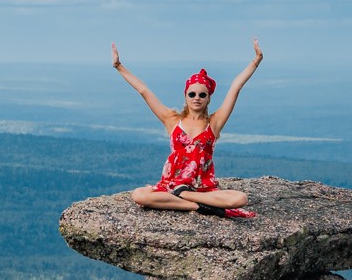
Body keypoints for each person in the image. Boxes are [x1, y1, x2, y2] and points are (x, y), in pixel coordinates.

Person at [111, 40, 263, 217]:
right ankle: (196, 207)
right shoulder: (172, 120)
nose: (196, 98)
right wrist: (119, 66)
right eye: (192, 94)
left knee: (240, 199)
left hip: (203, 187)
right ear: (186, 96)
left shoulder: (214, 123)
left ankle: (185, 196)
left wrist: (256, 61)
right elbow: (144, 91)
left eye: (202, 94)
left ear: (208, 99)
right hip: (172, 184)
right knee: (139, 195)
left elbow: (235, 87)